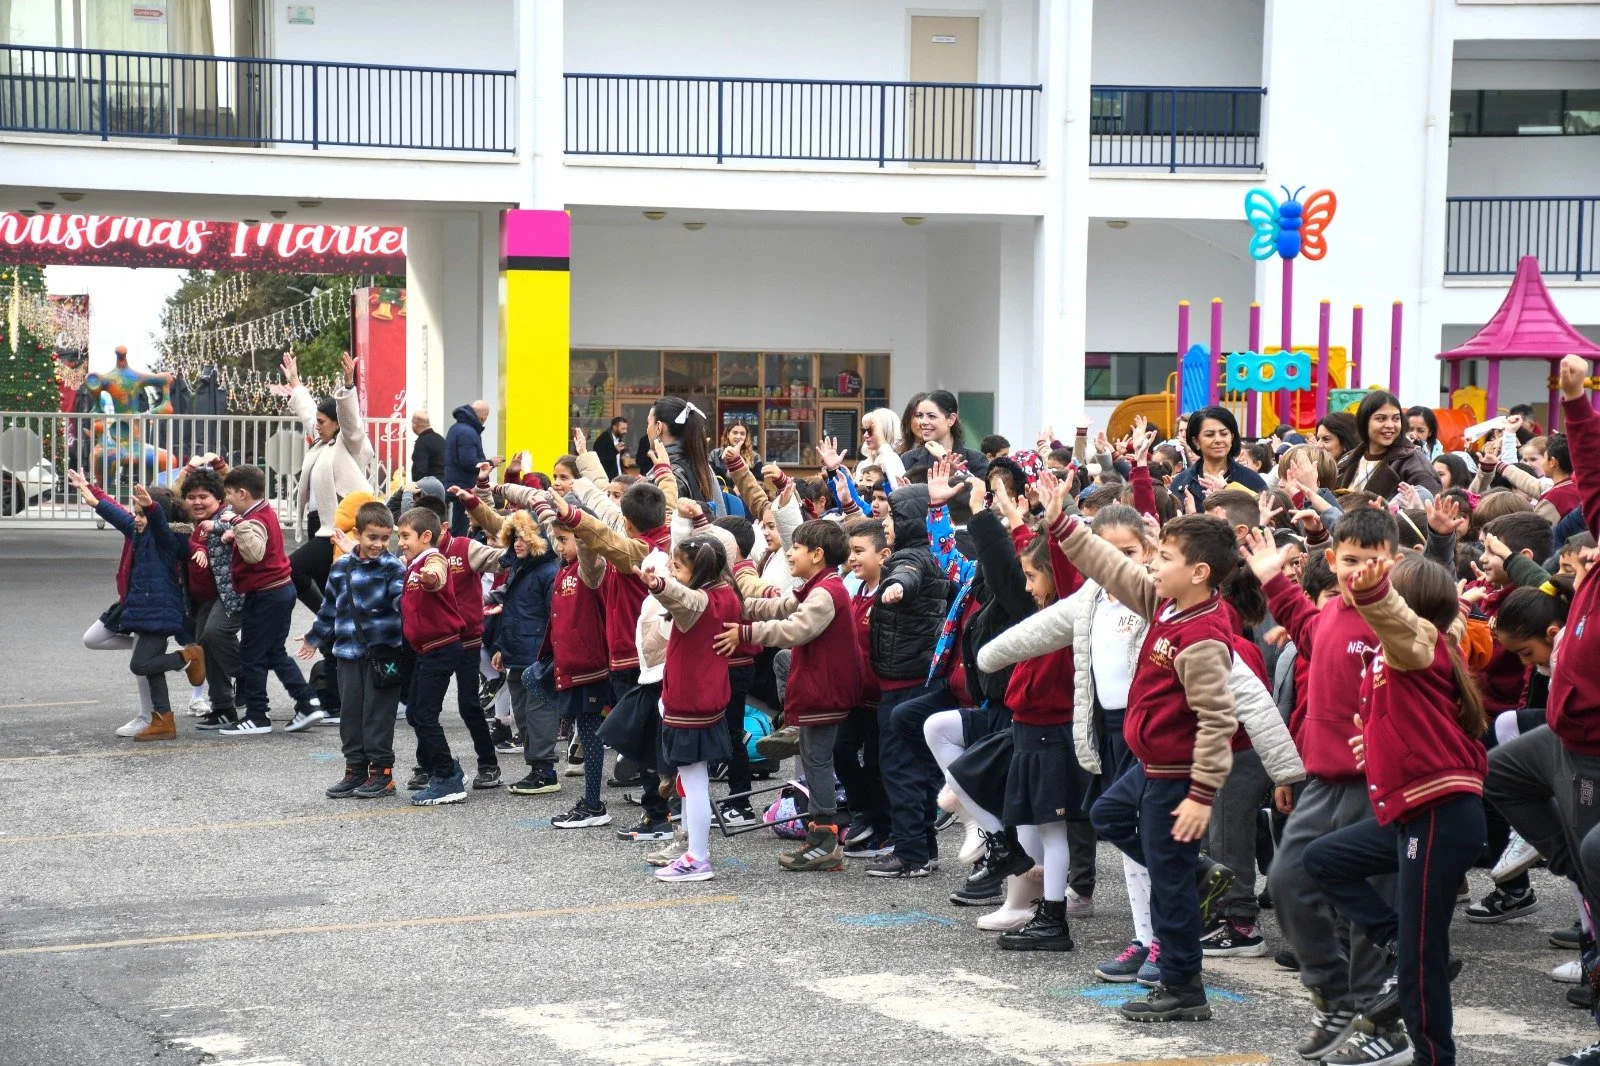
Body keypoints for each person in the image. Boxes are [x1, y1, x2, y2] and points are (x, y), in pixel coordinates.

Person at [1298, 551, 1487, 1066]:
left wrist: (1379, 594)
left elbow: (1404, 626)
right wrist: (1374, 746)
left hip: (1440, 814)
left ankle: (1434, 1056)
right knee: (1324, 859)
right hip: (1418, 814)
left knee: (1421, 960)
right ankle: (1394, 938)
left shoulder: (1417, 645)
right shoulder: (1394, 654)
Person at [1053, 503, 1239, 1023]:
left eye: (1165, 556)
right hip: (1151, 765)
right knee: (1110, 816)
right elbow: (1113, 567)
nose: (1151, 565)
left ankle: (1183, 985)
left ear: (1199, 573)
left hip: (1178, 777)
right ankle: (1197, 870)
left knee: (1170, 884)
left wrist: (1202, 796)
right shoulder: (1168, 601)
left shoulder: (1201, 635)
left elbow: (1217, 721)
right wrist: (1062, 525)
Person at [1252, 506, 1409, 1062]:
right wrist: (1271, 575)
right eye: (1348, 560)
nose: (1359, 571)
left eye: (1373, 561)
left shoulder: (1400, 617)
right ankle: (1333, 995)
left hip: (1380, 787)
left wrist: (1435, 542)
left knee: (1368, 913)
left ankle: (1385, 1029)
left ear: (1395, 562)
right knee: (1287, 880)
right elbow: (1299, 615)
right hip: (1321, 782)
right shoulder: (1329, 614)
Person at [716, 519, 864, 872]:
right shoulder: (816, 587)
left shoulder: (827, 592)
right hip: (818, 692)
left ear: (817, 554)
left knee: (817, 761)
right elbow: (781, 606)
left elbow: (795, 628)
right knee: (814, 759)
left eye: (796, 547)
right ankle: (820, 835)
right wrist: (738, 606)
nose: (789, 552)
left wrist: (746, 631)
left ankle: (825, 841)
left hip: (825, 693)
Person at [635, 535, 742, 883]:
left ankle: (697, 857)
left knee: (693, 783)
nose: (671, 569)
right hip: (705, 698)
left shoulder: (698, 600)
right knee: (691, 782)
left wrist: (657, 584)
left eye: (678, 566)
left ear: (698, 571)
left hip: (690, 702)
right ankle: (695, 851)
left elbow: (678, 595)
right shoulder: (725, 591)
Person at [71, 471, 204, 742]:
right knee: (148, 664)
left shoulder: (167, 538)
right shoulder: (136, 530)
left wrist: (152, 509)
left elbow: (159, 525)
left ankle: (188, 657)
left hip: (160, 609)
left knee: (141, 664)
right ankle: (163, 720)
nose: (137, 519)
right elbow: (116, 513)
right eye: (137, 514)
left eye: (141, 514)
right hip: (140, 607)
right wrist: (93, 495)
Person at [299, 502, 406, 800]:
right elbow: (329, 608)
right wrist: (313, 638)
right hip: (346, 653)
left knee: (377, 715)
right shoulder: (341, 567)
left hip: (383, 655)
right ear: (358, 534)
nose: (379, 545)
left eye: (386, 539)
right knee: (350, 714)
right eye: (373, 537)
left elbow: (404, 605)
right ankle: (355, 769)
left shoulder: (394, 568)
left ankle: (382, 774)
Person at [216, 465, 323, 736]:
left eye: (229, 494)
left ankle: (257, 715)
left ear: (242, 494)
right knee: (274, 652)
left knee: (252, 654)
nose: (227, 500)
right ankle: (308, 702)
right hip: (280, 591)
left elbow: (254, 553)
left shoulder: (251, 520)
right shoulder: (262, 509)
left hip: (266, 594)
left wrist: (236, 525)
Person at [282, 352, 374, 613]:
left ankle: (329, 619)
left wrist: (348, 387)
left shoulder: (349, 442)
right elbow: (308, 412)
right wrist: (296, 383)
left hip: (337, 529)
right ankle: (333, 638)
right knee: (330, 590)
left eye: (323, 423)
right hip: (317, 524)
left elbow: (351, 423)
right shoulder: (322, 439)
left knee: (292, 569)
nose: (317, 426)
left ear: (336, 424)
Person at [395, 506, 470, 805]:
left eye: (405, 536)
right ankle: (449, 769)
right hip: (425, 650)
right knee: (415, 713)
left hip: (441, 648)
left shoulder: (432, 559)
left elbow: (437, 575)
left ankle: (448, 779)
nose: (400, 541)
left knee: (424, 716)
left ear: (426, 536)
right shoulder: (414, 562)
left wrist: (431, 578)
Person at [179, 463, 244, 730]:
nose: (197, 502)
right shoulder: (191, 525)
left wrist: (225, 531)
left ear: (218, 498)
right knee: (206, 646)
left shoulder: (226, 517)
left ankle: (247, 678)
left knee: (215, 634)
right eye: (191, 497)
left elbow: (240, 525)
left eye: (203, 496)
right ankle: (223, 708)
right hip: (203, 599)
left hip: (228, 594)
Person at [1336, 390, 1441, 500]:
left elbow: (1424, 513)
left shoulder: (1415, 464)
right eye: (1381, 418)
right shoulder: (1348, 460)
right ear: (1364, 421)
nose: (1390, 425)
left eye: (1396, 418)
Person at [1167, 405, 1267, 508]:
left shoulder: (1252, 480)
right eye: (1210, 435)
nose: (1218, 440)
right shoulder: (1181, 482)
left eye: (1224, 434)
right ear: (1196, 441)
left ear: (1232, 438)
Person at [650, 396, 726, 516]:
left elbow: (661, 524)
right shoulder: (701, 465)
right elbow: (720, 516)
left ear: (659, 427)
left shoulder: (667, 473)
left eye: (648, 422)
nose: (647, 428)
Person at [900, 390, 990, 478]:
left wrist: (945, 459)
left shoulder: (976, 459)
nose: (923, 422)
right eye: (920, 416)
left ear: (951, 419)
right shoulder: (908, 459)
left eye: (931, 416)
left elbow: (978, 489)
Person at [444, 399, 495, 536]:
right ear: (484, 416)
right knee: (462, 528)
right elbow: (469, 462)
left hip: (456, 482)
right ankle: (458, 554)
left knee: (459, 523)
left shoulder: (456, 428)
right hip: (465, 486)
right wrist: (491, 463)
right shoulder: (468, 432)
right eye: (486, 416)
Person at [861, 407, 906, 482]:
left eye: (870, 430)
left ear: (886, 430)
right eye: (863, 430)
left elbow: (899, 489)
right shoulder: (865, 463)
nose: (865, 435)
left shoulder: (902, 459)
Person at [410, 410, 446, 482]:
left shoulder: (421, 443)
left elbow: (420, 471)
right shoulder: (440, 438)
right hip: (443, 484)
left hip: (430, 488)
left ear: (416, 424)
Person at [591, 416, 630, 480]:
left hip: (619, 477)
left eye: (626, 428)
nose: (625, 431)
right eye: (623, 429)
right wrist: (615, 450)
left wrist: (623, 460)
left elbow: (616, 461)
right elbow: (600, 460)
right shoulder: (602, 440)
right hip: (607, 479)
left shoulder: (619, 438)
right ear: (615, 427)